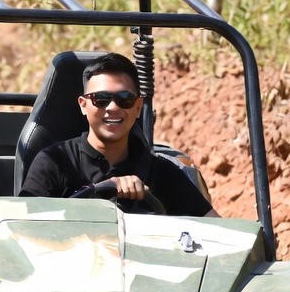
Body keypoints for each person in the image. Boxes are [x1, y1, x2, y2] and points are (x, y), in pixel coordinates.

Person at [19, 52, 218, 216]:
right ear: (83, 105)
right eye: (101, 99)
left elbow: (216, 229)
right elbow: (22, 225)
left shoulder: (162, 172)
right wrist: (98, 191)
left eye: (124, 99)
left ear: (138, 107)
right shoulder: (55, 163)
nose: (113, 108)